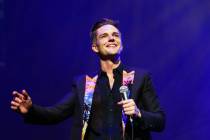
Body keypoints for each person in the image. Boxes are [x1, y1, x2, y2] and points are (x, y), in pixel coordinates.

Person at [10, 18, 165, 140]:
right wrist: (30, 110)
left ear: (121, 45)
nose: (111, 38)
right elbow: (56, 114)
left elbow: (160, 121)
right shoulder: (84, 84)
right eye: (104, 36)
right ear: (95, 47)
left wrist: (139, 113)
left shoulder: (139, 78)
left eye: (115, 35)